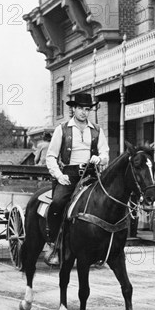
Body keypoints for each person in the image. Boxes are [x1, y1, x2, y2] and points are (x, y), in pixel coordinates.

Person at [45, 93, 109, 266]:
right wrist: (59, 175)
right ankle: (54, 244)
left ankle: (102, 248)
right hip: (69, 175)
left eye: (87, 109)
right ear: (73, 108)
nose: (83, 112)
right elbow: (50, 156)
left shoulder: (97, 130)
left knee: (105, 203)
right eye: (80, 108)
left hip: (91, 175)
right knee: (58, 203)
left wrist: (100, 159)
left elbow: (105, 153)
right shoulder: (62, 129)